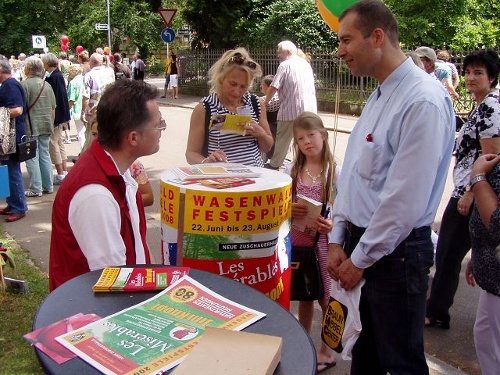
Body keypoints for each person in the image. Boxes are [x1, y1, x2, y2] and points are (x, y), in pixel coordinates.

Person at [326, 1, 455, 374]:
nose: (340, 51)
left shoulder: (423, 100)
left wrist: (359, 260)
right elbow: (353, 175)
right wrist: (337, 237)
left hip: (394, 257)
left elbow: (403, 202)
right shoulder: (381, 93)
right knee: (364, 358)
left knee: (400, 363)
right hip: (362, 248)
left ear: (377, 36)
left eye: (347, 40)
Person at [49, 80, 162, 291]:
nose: (162, 129)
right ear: (133, 138)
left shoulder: (117, 168)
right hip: (94, 314)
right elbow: (114, 280)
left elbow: (137, 245)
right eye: (158, 124)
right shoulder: (95, 194)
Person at [426, 49, 500, 329]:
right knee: (457, 256)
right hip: (469, 192)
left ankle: (436, 312)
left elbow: (491, 157)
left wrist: (471, 192)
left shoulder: (491, 106)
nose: (470, 78)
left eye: (478, 73)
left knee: (448, 255)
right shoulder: (482, 105)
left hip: (471, 195)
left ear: (491, 77)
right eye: (468, 72)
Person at [286, 112, 338, 373]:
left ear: (324, 135)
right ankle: (305, 343)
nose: (307, 142)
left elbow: (345, 210)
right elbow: (282, 203)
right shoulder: (293, 170)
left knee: (327, 297)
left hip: (325, 244)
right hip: (299, 242)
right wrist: (288, 208)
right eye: (300, 138)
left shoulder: (334, 172)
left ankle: (327, 351)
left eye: (311, 135)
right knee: (305, 295)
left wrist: (333, 225)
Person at [185, 48, 273, 167]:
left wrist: (261, 133)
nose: (237, 92)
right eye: (233, 84)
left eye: (243, 86)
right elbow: (191, 153)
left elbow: (267, 147)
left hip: (255, 179)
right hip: (222, 179)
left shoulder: (256, 103)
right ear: (221, 78)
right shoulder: (205, 109)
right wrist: (206, 162)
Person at [465, 153, 500, 375]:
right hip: (491, 273)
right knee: (485, 339)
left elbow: (498, 224)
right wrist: (477, 257)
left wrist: (477, 177)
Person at [263, 40, 317, 170]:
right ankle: (306, 163)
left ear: (288, 52)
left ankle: (274, 165)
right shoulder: (305, 64)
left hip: (290, 110)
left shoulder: (285, 65)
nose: (278, 56)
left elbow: (274, 86)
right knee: (307, 139)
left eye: (279, 53)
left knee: (282, 139)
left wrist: (265, 103)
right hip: (309, 109)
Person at [89, 120, 154, 207]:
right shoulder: (90, 161)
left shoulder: (133, 165)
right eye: (94, 134)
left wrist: (122, 204)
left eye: (101, 134)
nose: (97, 139)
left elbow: (149, 197)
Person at [21, 56, 56, 197]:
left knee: (31, 157)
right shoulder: (47, 85)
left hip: (31, 126)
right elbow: (53, 108)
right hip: (46, 125)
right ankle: (48, 185)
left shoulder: (24, 85)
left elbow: (22, 108)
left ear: (28, 69)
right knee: (45, 155)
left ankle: (36, 188)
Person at [0, 59, 28, 222]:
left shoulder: (10, 85)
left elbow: (17, 110)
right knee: (5, 171)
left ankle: (18, 207)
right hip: (7, 136)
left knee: (11, 171)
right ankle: (12, 203)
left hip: (10, 137)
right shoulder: (9, 85)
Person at [41, 53, 71, 185]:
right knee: (59, 142)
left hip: (57, 116)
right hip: (61, 115)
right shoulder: (57, 76)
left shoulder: (53, 78)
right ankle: (63, 171)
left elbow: (56, 99)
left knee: (54, 143)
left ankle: (61, 172)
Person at [80, 52, 115, 151]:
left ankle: (88, 159)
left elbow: (86, 97)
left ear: (93, 62)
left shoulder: (89, 75)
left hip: (93, 111)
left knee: (91, 136)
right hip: (109, 109)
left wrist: (83, 112)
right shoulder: (109, 72)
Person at [260, 74, 280, 162]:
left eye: (263, 84)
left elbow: (261, 102)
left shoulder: (270, 99)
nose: (261, 87)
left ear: (269, 87)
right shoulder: (279, 96)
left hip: (271, 126)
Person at [67, 64, 85, 149]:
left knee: (81, 133)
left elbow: (72, 99)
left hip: (78, 109)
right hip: (88, 109)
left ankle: (84, 152)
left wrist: (67, 110)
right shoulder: (85, 78)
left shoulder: (73, 82)